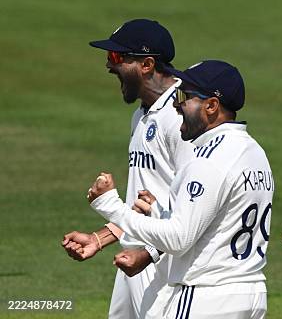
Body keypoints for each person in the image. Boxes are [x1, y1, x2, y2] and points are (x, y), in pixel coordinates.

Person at [87, 60, 273, 319]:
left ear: (211, 106)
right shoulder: (254, 152)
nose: (176, 104)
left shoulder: (208, 159)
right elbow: (215, 220)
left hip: (207, 297)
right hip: (250, 294)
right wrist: (160, 210)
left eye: (186, 96)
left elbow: (178, 238)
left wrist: (111, 206)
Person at [61, 19, 194, 318]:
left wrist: (149, 254)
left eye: (117, 58)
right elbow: (145, 198)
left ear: (146, 64)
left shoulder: (181, 118)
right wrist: (101, 238)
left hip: (163, 266)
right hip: (132, 258)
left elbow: (194, 208)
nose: (109, 66)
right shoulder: (142, 115)